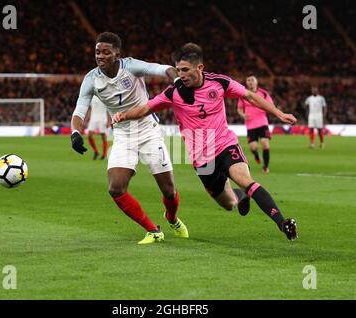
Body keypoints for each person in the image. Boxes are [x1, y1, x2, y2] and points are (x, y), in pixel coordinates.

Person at [112, 43, 298, 241]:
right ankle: (240, 196)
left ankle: (283, 223)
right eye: (178, 70)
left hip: (224, 144)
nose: (180, 75)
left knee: (246, 181)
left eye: (185, 70)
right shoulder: (173, 93)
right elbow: (145, 108)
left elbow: (250, 96)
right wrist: (123, 115)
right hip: (202, 158)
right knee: (229, 204)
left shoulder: (219, 83)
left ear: (199, 68)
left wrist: (279, 113)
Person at [70, 32, 188, 244]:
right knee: (115, 188)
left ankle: (172, 217)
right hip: (123, 136)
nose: (100, 56)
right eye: (97, 52)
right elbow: (79, 110)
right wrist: (75, 133)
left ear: (117, 53)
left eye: (106, 52)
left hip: (148, 132)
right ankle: (153, 230)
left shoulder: (131, 67)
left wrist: (177, 79)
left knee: (169, 191)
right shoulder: (91, 80)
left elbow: (162, 69)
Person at [237, 75, 273, 173]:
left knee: (265, 143)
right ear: (246, 83)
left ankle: (265, 167)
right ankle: (256, 155)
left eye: (252, 80)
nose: (250, 82)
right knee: (253, 147)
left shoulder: (263, 94)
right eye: (248, 80)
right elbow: (239, 109)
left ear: (256, 82)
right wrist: (243, 115)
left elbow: (271, 105)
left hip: (262, 122)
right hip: (250, 125)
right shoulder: (243, 94)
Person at [86, 95, 110, 160]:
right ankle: (96, 151)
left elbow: (108, 110)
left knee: (103, 135)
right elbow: (90, 109)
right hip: (93, 117)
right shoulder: (92, 97)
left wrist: (108, 121)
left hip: (102, 117)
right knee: (89, 135)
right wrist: (87, 119)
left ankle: (104, 155)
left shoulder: (105, 96)